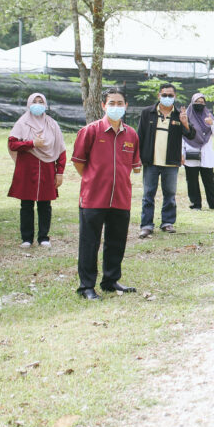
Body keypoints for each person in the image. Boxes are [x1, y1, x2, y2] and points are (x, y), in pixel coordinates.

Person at [71, 88, 141, 300]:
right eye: (112, 103)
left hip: (121, 197)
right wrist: (93, 180)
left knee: (116, 242)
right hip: (94, 197)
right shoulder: (90, 131)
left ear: (126, 106)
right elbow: (79, 163)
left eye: (120, 103)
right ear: (103, 106)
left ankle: (110, 281)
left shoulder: (131, 134)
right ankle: (86, 287)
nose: (116, 107)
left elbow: (135, 166)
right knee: (89, 243)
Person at [135, 83, 196, 238]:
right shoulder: (147, 113)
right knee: (148, 194)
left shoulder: (179, 114)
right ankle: (146, 225)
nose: (167, 98)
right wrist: (137, 158)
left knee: (170, 194)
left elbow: (191, 135)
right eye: (164, 95)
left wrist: (185, 123)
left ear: (175, 97)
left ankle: (167, 222)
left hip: (171, 162)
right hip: (151, 161)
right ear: (159, 95)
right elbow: (139, 136)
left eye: (170, 95)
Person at [7, 93, 67, 248]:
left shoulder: (52, 124)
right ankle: (26, 239)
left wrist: (59, 172)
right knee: (26, 204)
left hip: (47, 169)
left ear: (45, 105)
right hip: (27, 169)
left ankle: (43, 237)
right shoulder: (22, 123)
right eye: (35, 102)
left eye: (41, 102)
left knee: (45, 204)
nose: (38, 104)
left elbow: (61, 150)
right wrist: (32, 143)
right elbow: (12, 144)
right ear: (29, 104)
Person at [182, 92, 214, 211]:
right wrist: (181, 153)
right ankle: (195, 204)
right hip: (191, 150)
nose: (199, 104)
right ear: (192, 103)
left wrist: (212, 124)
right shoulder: (186, 117)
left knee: (209, 180)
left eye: (202, 102)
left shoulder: (208, 116)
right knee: (192, 181)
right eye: (197, 102)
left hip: (206, 153)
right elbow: (182, 136)